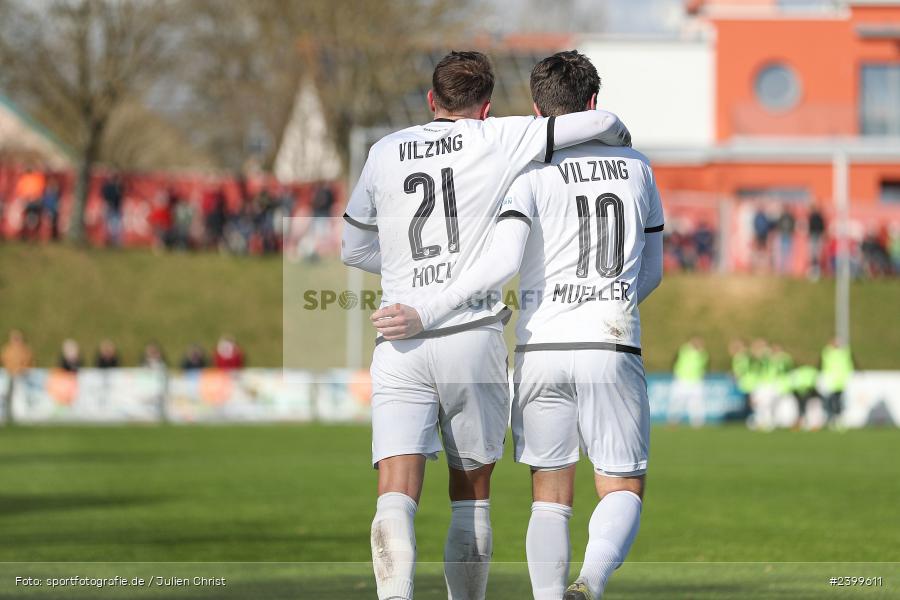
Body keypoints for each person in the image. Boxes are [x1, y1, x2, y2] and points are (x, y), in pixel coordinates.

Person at [341, 50, 631, 600]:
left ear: (431, 100)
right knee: (470, 494)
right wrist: (617, 127)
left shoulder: (384, 151)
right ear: (486, 106)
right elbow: (597, 122)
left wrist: (406, 267)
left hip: (401, 338)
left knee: (394, 493)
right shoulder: (497, 137)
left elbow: (353, 248)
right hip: (470, 335)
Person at [669, 338, 709, 428]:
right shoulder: (684, 350)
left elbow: (703, 364)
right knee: (677, 401)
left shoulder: (703, 354)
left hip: (696, 380)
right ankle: (673, 421)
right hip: (682, 379)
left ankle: (697, 423)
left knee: (697, 402)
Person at [819, 339, 855, 427]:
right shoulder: (828, 353)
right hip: (831, 383)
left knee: (839, 402)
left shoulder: (843, 353)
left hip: (841, 383)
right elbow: (826, 352)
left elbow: (847, 353)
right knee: (829, 402)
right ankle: (831, 419)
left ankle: (838, 420)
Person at [101, 174, 125, 247]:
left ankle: (115, 242)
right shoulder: (108, 187)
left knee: (115, 226)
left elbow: (120, 196)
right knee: (110, 226)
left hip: (115, 208)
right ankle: (108, 241)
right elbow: (105, 195)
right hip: (110, 207)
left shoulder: (118, 187)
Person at [775, 206, 796, 274]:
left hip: (788, 235)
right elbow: (779, 225)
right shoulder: (782, 217)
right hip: (783, 235)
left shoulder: (790, 217)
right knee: (783, 252)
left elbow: (793, 225)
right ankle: (782, 268)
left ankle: (787, 268)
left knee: (788, 252)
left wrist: (791, 232)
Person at [807, 205, 826, 279]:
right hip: (813, 236)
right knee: (813, 254)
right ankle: (813, 270)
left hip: (817, 236)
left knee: (816, 254)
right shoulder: (812, 217)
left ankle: (816, 270)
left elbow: (822, 227)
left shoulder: (818, 217)